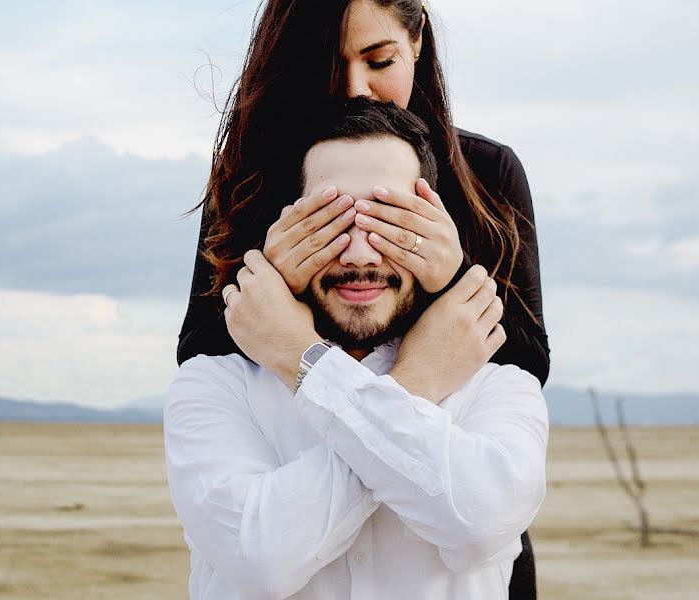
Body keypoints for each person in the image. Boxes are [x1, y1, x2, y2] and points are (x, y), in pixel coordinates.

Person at [177, 1, 549, 595]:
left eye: (380, 61)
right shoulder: (250, 171)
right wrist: (276, 277)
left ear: (417, 41)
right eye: (326, 65)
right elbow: (211, 341)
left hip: (443, 537)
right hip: (292, 473)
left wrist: (453, 279)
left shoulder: (485, 172)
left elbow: (521, 360)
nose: (355, 90)